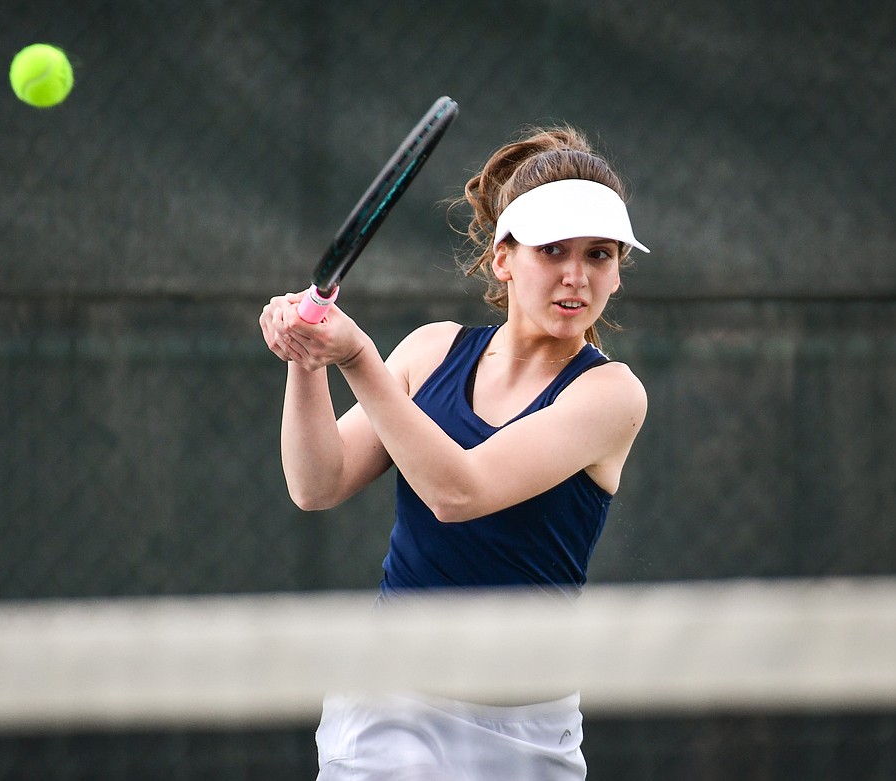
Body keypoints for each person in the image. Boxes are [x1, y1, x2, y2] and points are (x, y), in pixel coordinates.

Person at [258, 125, 649, 780]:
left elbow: (458, 492)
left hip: (529, 726)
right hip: (392, 705)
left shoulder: (610, 395)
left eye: (600, 254)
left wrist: (356, 356)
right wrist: (308, 357)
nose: (577, 275)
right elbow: (316, 482)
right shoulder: (430, 351)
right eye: (552, 250)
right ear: (503, 258)